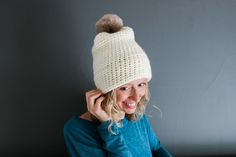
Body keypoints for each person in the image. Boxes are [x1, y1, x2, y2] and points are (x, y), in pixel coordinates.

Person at [63, 14, 172, 157]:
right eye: (124, 87)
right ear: (106, 89)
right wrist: (108, 127)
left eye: (141, 84)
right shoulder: (78, 130)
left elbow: (157, 149)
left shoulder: (136, 116)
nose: (136, 96)